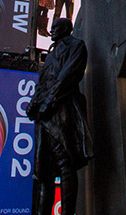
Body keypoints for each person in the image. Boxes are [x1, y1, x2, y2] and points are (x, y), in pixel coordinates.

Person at [29, 18, 92, 215]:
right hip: (43, 114)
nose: (51, 30)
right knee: (42, 169)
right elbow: (43, 80)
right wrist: (35, 101)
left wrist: (50, 101)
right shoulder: (50, 54)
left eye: (55, 27)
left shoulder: (76, 46)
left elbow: (68, 76)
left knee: (66, 162)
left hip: (62, 108)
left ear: (65, 29)